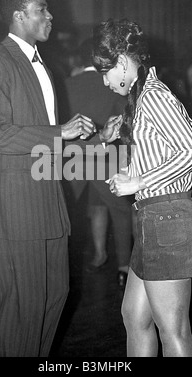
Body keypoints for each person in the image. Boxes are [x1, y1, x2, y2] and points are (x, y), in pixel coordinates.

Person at [0, 0, 118, 357]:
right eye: (42, 9)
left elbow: (46, 140)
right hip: (19, 203)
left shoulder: (42, 65)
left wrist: (100, 139)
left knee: (56, 294)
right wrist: (60, 131)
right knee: (26, 306)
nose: (50, 16)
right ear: (19, 16)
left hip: (49, 198)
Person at [92, 19, 192, 357]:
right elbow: (165, 154)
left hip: (168, 219)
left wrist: (140, 180)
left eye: (105, 72)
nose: (104, 81)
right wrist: (131, 171)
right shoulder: (142, 98)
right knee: (134, 315)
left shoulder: (155, 96)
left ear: (122, 61)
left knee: (172, 329)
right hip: (154, 218)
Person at [63, 38, 133, 287]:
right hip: (105, 157)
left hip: (72, 159)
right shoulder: (112, 84)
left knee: (74, 210)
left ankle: (93, 256)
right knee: (119, 210)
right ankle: (123, 268)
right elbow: (124, 125)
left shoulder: (67, 84)